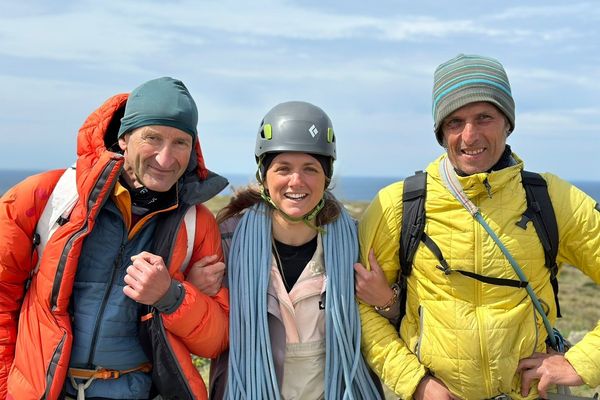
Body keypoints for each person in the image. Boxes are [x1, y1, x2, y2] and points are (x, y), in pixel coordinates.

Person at [355, 54, 600, 399]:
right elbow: (361, 309)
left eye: (484, 117)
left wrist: (581, 363)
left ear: (507, 122)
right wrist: (417, 384)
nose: (469, 136)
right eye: (454, 122)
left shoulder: (552, 200)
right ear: (441, 132)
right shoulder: (399, 205)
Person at [0, 77, 230, 400]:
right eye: (153, 138)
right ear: (124, 138)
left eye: (180, 142)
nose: (166, 159)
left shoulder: (197, 224)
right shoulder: (44, 199)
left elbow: (218, 338)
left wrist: (173, 295)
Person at [200, 101, 382, 399]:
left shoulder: (355, 242)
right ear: (264, 175)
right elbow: (207, 330)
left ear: (326, 176)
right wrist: (195, 290)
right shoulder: (228, 242)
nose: (296, 181)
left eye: (310, 168)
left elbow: (386, 325)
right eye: (283, 168)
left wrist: (388, 302)